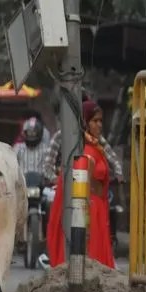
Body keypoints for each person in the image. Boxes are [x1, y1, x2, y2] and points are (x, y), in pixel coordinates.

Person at [43, 99, 122, 270]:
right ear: (85, 122)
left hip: (98, 206)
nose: (99, 125)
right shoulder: (70, 142)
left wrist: (118, 175)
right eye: (95, 121)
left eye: (101, 121)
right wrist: (57, 178)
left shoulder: (98, 143)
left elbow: (114, 161)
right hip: (84, 205)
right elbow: (48, 165)